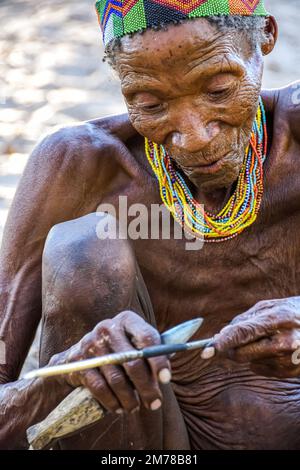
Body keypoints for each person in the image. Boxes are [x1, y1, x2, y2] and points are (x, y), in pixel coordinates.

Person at [0, 0, 300, 450]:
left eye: (219, 90)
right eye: (151, 104)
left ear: (265, 37)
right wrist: (60, 379)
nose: (194, 136)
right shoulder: (79, 165)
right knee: (83, 248)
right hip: (149, 444)